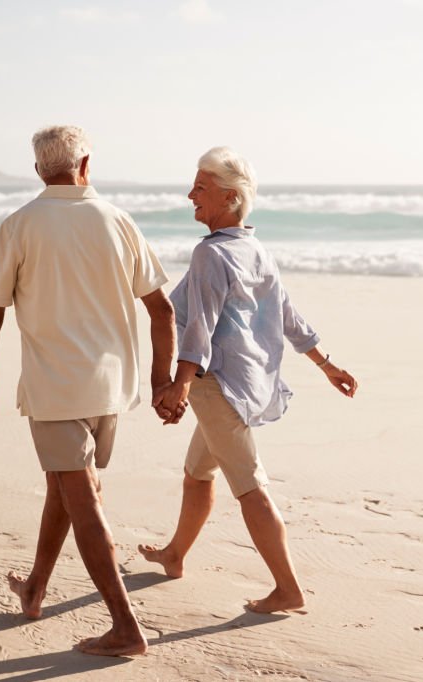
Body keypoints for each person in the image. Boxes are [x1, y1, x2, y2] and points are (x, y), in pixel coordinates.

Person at [0, 125, 183, 656]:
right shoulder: (119, 221)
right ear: (86, 164)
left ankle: (126, 628)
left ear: (39, 170)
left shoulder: (19, 225)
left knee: (81, 497)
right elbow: (162, 311)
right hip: (111, 389)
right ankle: (36, 589)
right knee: (64, 488)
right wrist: (160, 382)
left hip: (55, 389)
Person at [139, 146, 358, 613]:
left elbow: (199, 327)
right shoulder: (255, 248)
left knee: (249, 485)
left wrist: (178, 384)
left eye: (201, 187)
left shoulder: (210, 255)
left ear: (231, 197)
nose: (190, 194)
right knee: (197, 473)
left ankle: (287, 588)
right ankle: (175, 554)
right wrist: (326, 363)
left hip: (216, 385)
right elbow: (287, 316)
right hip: (239, 381)